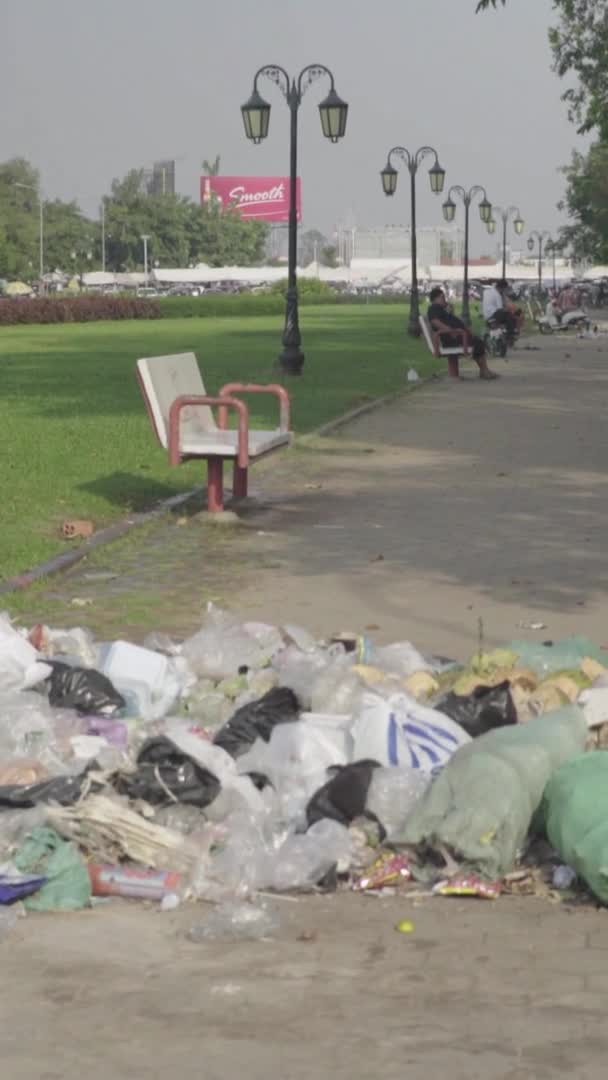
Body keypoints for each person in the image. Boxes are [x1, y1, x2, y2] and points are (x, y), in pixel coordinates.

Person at [427, 287, 498, 380]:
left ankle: (484, 370)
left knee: (477, 341)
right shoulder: (434, 307)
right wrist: (450, 330)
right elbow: (434, 321)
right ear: (436, 298)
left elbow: (446, 320)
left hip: (456, 335)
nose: (445, 299)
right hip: (452, 337)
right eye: (442, 297)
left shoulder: (441, 309)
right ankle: (484, 371)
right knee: (478, 343)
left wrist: (450, 312)